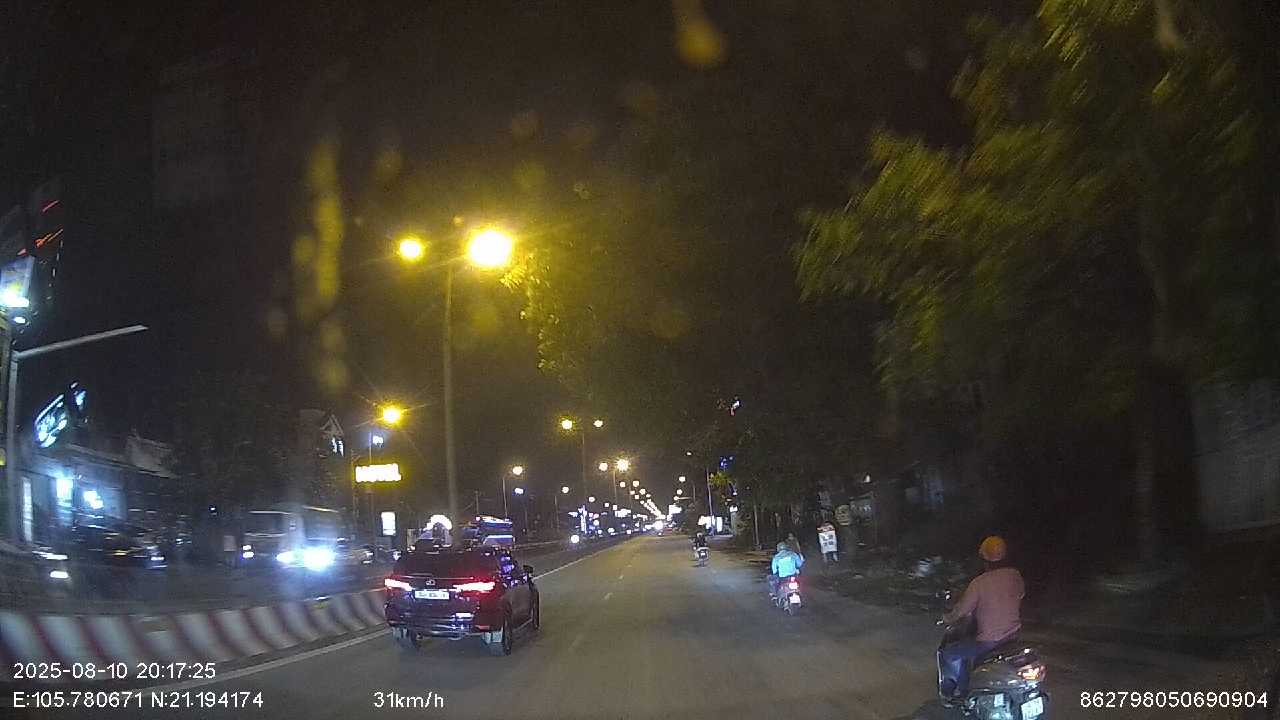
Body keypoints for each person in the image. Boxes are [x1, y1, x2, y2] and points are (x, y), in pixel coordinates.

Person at [938, 535, 1025, 703]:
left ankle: (959, 693)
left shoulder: (979, 583)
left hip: (988, 641)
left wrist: (947, 618)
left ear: (984, 559)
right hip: (1012, 636)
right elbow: (1020, 595)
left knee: (948, 653)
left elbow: (961, 610)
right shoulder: (1015, 575)